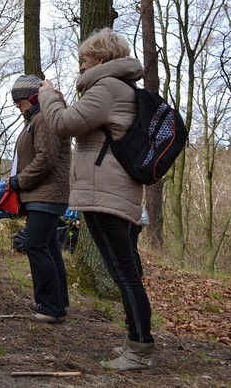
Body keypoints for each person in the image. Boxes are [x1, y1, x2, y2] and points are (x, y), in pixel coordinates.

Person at [39, 28, 156, 371]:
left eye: (84, 59)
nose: (81, 65)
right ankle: (137, 341)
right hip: (114, 191)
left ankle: (139, 349)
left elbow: (62, 123)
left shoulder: (106, 88)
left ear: (101, 59)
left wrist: (47, 96)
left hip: (106, 194)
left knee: (124, 273)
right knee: (127, 270)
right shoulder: (122, 89)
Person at [6, 74, 71, 325]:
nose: (18, 107)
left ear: (29, 98)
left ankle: (51, 306)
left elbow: (45, 159)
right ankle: (57, 300)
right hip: (43, 195)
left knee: (34, 245)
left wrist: (19, 181)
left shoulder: (44, 117)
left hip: (46, 194)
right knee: (50, 247)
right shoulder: (39, 118)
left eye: (19, 102)